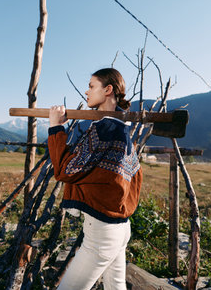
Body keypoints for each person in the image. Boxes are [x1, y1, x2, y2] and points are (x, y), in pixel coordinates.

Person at [47, 68, 142, 290]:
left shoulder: (106, 129)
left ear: (108, 90)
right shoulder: (122, 129)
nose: (86, 92)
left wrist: (55, 127)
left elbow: (66, 169)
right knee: (115, 287)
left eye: (91, 86)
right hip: (120, 228)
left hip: (102, 234)